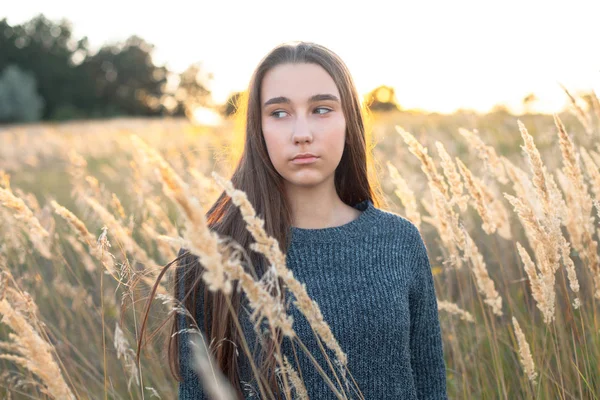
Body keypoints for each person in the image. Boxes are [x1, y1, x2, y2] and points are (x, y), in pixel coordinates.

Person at [167, 41, 447, 399]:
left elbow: (430, 385)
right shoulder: (214, 252)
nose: (302, 133)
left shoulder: (398, 241)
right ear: (258, 129)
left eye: (321, 109)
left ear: (349, 121)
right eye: (279, 113)